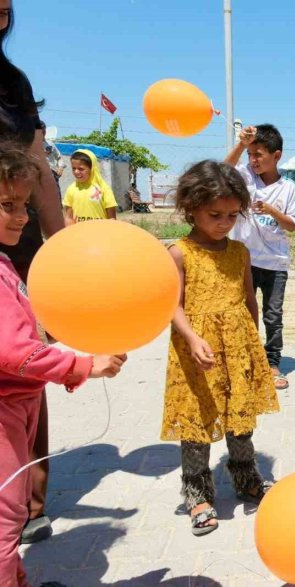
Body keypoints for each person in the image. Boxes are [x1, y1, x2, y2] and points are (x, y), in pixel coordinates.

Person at [0, 146, 126, 586]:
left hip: (20, 405)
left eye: (23, 206)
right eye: (6, 206)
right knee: (6, 515)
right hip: (4, 412)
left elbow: (23, 330)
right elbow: (15, 352)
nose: (20, 217)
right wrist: (84, 364)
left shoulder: (2, 264)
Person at [161, 160, 279, 537]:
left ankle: (246, 479)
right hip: (196, 350)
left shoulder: (240, 252)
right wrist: (193, 338)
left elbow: (249, 300)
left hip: (238, 346)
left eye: (232, 215)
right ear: (190, 207)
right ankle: (197, 493)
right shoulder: (178, 253)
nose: (224, 222)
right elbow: (171, 304)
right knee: (198, 419)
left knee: (238, 417)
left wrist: (253, 342)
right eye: (215, 214)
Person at [0, 0, 67, 546]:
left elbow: (40, 166)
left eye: (4, 11)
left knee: (21, 363)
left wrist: (60, 247)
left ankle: (26, 502)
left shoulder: (13, 84)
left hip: (12, 236)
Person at [225, 124, 295, 391]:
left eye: (259, 154)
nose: (253, 160)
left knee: (272, 315)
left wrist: (271, 210)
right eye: (250, 154)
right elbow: (224, 171)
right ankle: (244, 360)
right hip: (243, 260)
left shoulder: (289, 188)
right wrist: (240, 144)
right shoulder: (246, 176)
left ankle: (271, 364)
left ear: (276, 156)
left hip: (275, 263)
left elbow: (292, 225)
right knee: (242, 312)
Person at [62, 149, 118, 223]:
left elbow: (112, 219)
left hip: (100, 233)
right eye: (73, 168)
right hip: (79, 233)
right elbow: (69, 218)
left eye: (81, 169)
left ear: (92, 168)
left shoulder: (103, 189)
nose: (76, 172)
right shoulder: (71, 189)